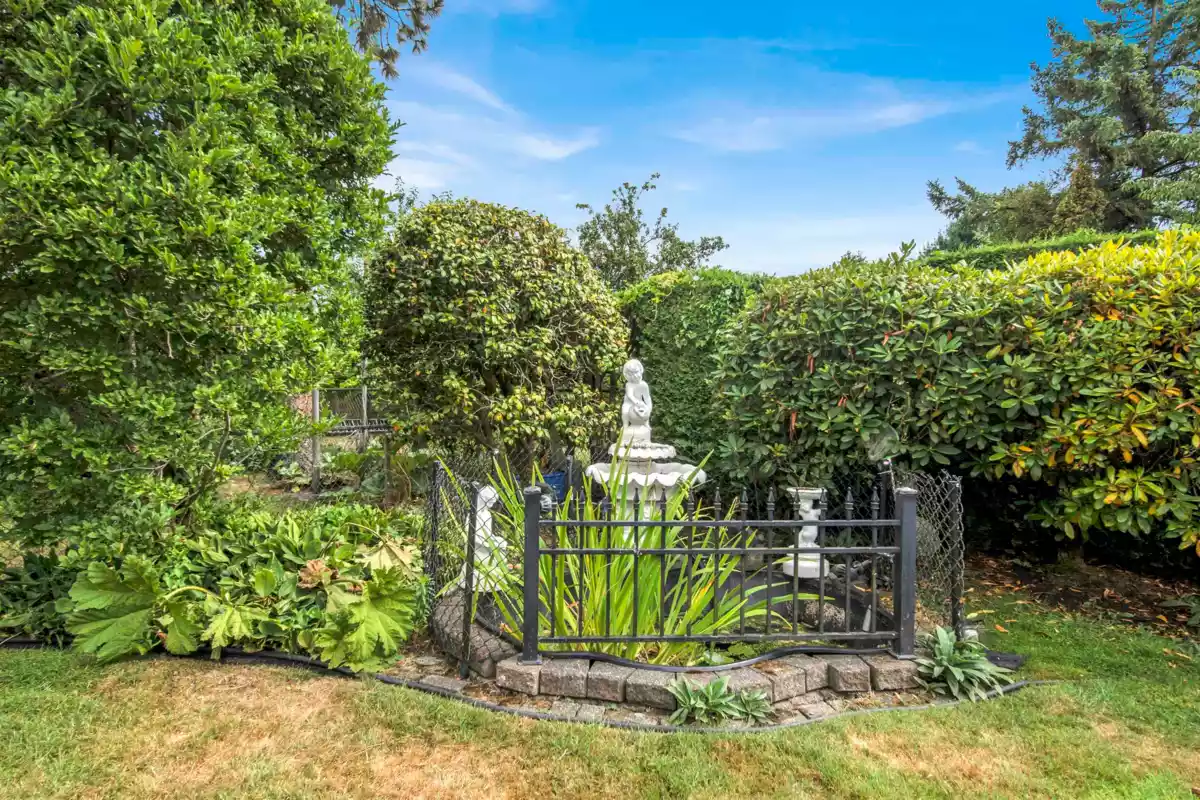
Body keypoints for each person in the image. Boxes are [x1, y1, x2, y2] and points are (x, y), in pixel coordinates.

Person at [621, 358, 652, 442]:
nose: (636, 376)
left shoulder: (644, 385)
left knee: (644, 410)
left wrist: (648, 409)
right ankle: (625, 426)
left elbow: (647, 398)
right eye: (632, 374)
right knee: (625, 412)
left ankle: (646, 423)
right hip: (629, 404)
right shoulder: (629, 385)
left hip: (639, 403)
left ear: (640, 371)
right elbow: (630, 396)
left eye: (637, 372)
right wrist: (637, 403)